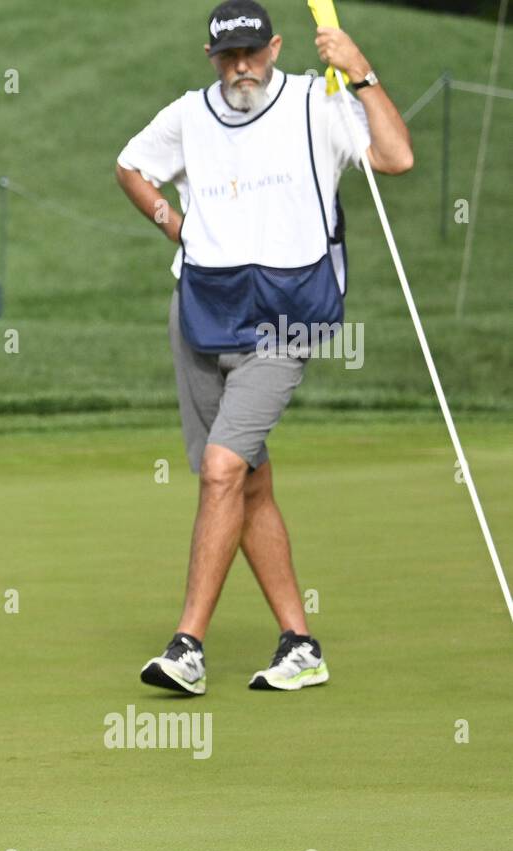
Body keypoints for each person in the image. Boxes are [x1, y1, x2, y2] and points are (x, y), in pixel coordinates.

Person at [115, 0, 412, 694]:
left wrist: (361, 73)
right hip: (201, 313)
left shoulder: (318, 101)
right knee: (246, 480)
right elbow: (131, 167)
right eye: (227, 56)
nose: (240, 66)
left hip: (287, 318)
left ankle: (187, 646)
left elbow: (395, 157)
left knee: (223, 467)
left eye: (251, 52)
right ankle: (300, 643)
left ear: (275, 48)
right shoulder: (190, 115)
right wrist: (173, 225)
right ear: (213, 58)